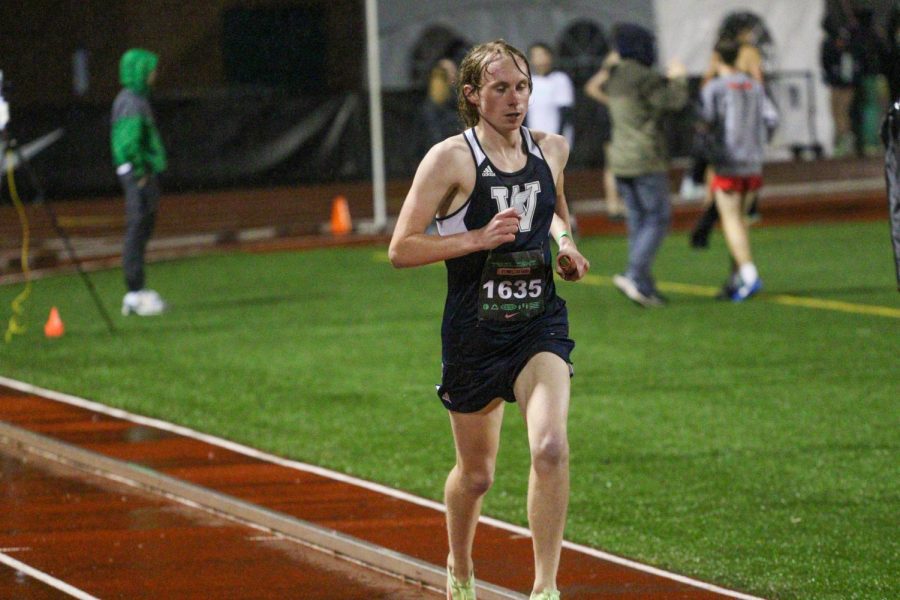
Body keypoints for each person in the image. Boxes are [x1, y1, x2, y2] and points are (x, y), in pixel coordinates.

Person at [388, 39, 590, 600]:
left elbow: (553, 209)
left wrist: (567, 247)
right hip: (476, 331)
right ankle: (459, 565)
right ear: (473, 95)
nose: (515, 98)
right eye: (500, 88)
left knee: (550, 446)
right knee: (476, 476)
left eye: (522, 86)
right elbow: (401, 248)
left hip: (538, 325)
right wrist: (477, 238)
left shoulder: (551, 149)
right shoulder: (450, 158)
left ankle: (545, 588)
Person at [599, 23, 688, 307]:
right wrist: (679, 79)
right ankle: (635, 275)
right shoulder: (643, 76)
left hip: (620, 159)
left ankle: (644, 285)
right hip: (645, 157)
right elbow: (674, 102)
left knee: (638, 221)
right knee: (658, 218)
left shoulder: (615, 77)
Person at [700, 38, 779, 301]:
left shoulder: (715, 87)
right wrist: (758, 142)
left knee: (731, 220)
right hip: (753, 162)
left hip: (727, 160)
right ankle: (737, 281)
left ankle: (748, 274)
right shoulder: (754, 85)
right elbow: (772, 118)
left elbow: (706, 121)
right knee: (741, 221)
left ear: (716, 58)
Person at [111, 48, 168, 316]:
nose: (154, 73)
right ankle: (134, 293)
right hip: (137, 173)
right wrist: (140, 169)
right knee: (137, 228)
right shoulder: (131, 102)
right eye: (150, 69)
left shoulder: (137, 99)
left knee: (143, 227)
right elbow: (128, 141)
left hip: (141, 171)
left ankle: (138, 289)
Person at [583, 51, 627, 220]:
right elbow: (591, 87)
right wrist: (610, 101)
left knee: (618, 164)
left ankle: (618, 205)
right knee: (612, 165)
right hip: (612, 121)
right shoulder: (614, 66)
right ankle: (613, 206)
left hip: (620, 120)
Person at [525, 43, 575, 147]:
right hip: (534, 140)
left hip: (554, 138)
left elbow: (565, 112)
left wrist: (558, 138)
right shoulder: (528, 82)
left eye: (543, 55)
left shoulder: (560, 79)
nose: (540, 59)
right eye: (536, 56)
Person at [416, 58, 461, 159]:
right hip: (443, 155)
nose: (455, 75)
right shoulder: (432, 109)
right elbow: (435, 137)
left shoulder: (455, 99)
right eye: (451, 72)